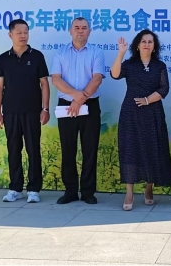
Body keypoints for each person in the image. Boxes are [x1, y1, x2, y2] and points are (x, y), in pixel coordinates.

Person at [110, 30, 171, 210]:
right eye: (143, 41)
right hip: (131, 113)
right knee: (130, 150)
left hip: (153, 112)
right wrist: (121, 53)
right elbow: (114, 74)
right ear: (137, 45)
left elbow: (164, 89)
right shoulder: (130, 64)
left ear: (155, 46)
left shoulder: (159, 66)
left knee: (152, 148)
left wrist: (147, 100)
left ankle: (149, 188)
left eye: (150, 42)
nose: (147, 44)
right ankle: (129, 193)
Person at [0, 19, 50, 203]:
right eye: (19, 32)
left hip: (33, 111)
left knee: (33, 149)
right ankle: (15, 188)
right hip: (10, 111)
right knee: (13, 150)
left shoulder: (37, 56)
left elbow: (44, 84)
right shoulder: (3, 58)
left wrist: (45, 108)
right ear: (10, 35)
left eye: (26, 32)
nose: (23, 35)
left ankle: (34, 189)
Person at [51, 17, 105, 205]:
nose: (80, 31)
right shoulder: (60, 52)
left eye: (84, 28)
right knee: (68, 149)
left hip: (90, 105)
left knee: (90, 149)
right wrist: (75, 96)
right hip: (66, 106)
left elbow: (97, 78)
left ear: (89, 31)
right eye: (76, 27)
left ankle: (88, 192)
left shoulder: (96, 52)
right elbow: (56, 79)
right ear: (70, 31)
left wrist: (80, 99)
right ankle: (70, 191)